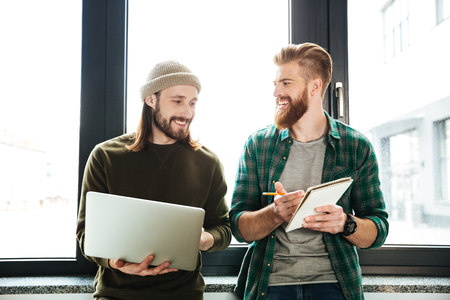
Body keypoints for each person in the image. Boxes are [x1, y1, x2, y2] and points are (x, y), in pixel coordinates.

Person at [229, 43, 389, 300]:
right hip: (270, 285)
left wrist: (345, 223)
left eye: (286, 83)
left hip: (336, 283)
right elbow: (239, 227)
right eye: (275, 83)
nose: (276, 92)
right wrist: (275, 213)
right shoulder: (258, 145)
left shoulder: (356, 146)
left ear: (314, 87)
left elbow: (378, 229)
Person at [76, 60, 232, 300]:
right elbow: (86, 234)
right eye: (177, 101)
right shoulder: (105, 156)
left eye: (192, 103)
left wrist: (205, 239)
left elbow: (223, 228)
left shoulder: (208, 162)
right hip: (117, 294)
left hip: (183, 294)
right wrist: (116, 263)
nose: (187, 113)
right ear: (151, 99)